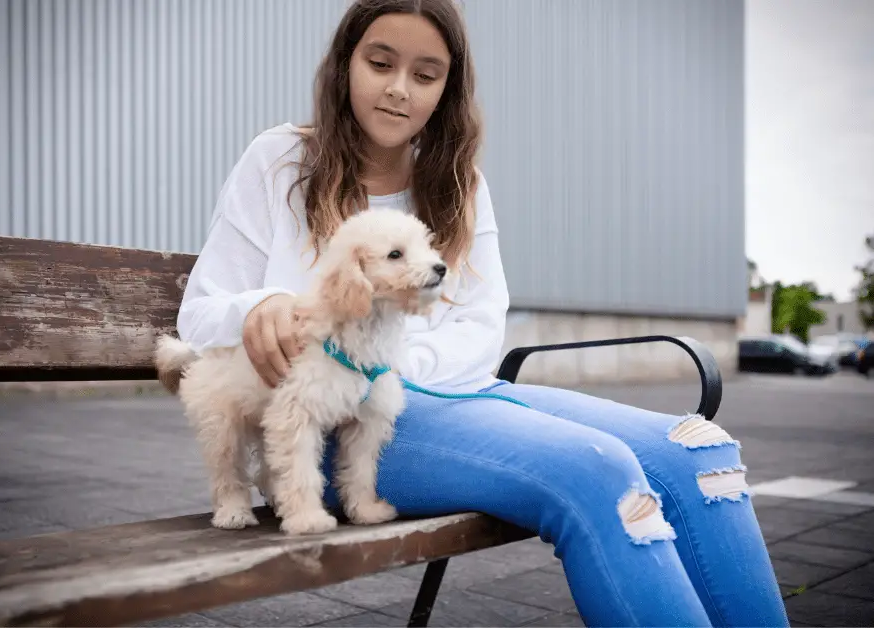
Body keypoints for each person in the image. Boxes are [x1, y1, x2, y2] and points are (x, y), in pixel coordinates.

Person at [175, 0, 790, 625]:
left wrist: (380, 366)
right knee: (595, 470)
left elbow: (478, 325)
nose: (397, 89)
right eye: (379, 62)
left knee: (699, 451)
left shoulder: (459, 182)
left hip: (449, 397)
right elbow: (199, 313)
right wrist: (265, 305)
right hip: (330, 436)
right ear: (343, 67)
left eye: (425, 73)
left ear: (448, 87)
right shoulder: (280, 159)